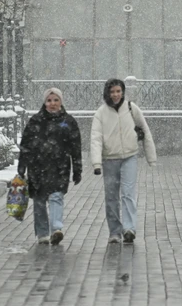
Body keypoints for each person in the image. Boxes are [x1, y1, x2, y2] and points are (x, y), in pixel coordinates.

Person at [90, 78, 157, 244]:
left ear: (123, 92)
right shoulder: (101, 113)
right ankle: (114, 231)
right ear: (107, 93)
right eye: (112, 91)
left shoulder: (131, 108)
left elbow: (145, 131)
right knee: (111, 196)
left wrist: (151, 158)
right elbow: (96, 138)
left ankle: (129, 229)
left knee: (128, 194)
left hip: (129, 156)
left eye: (118, 91)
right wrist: (96, 163)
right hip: (109, 159)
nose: (115, 95)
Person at [16, 88, 82, 245]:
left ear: (61, 102)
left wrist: (77, 169)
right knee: (39, 201)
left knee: (56, 197)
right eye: (49, 100)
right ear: (45, 103)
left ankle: (56, 229)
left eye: (56, 100)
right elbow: (25, 146)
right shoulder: (35, 122)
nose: (52, 103)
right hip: (37, 168)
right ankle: (43, 234)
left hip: (60, 168)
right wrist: (21, 168)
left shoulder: (68, 122)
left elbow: (75, 147)